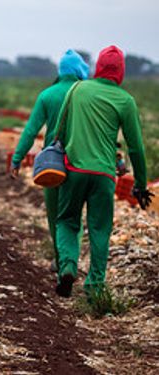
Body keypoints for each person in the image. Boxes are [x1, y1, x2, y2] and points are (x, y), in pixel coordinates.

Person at [54, 45, 153, 298]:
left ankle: (67, 266)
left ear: (98, 67)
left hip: (73, 169)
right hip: (104, 176)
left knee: (67, 220)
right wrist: (140, 184)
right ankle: (95, 287)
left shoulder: (77, 89)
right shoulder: (125, 100)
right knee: (99, 228)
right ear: (120, 71)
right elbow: (137, 148)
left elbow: (60, 132)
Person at [10, 50, 90, 272]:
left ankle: (60, 259)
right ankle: (71, 258)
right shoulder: (86, 94)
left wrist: (17, 159)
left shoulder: (47, 95)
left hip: (53, 163)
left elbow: (30, 131)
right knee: (73, 214)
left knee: (55, 214)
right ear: (79, 70)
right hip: (80, 161)